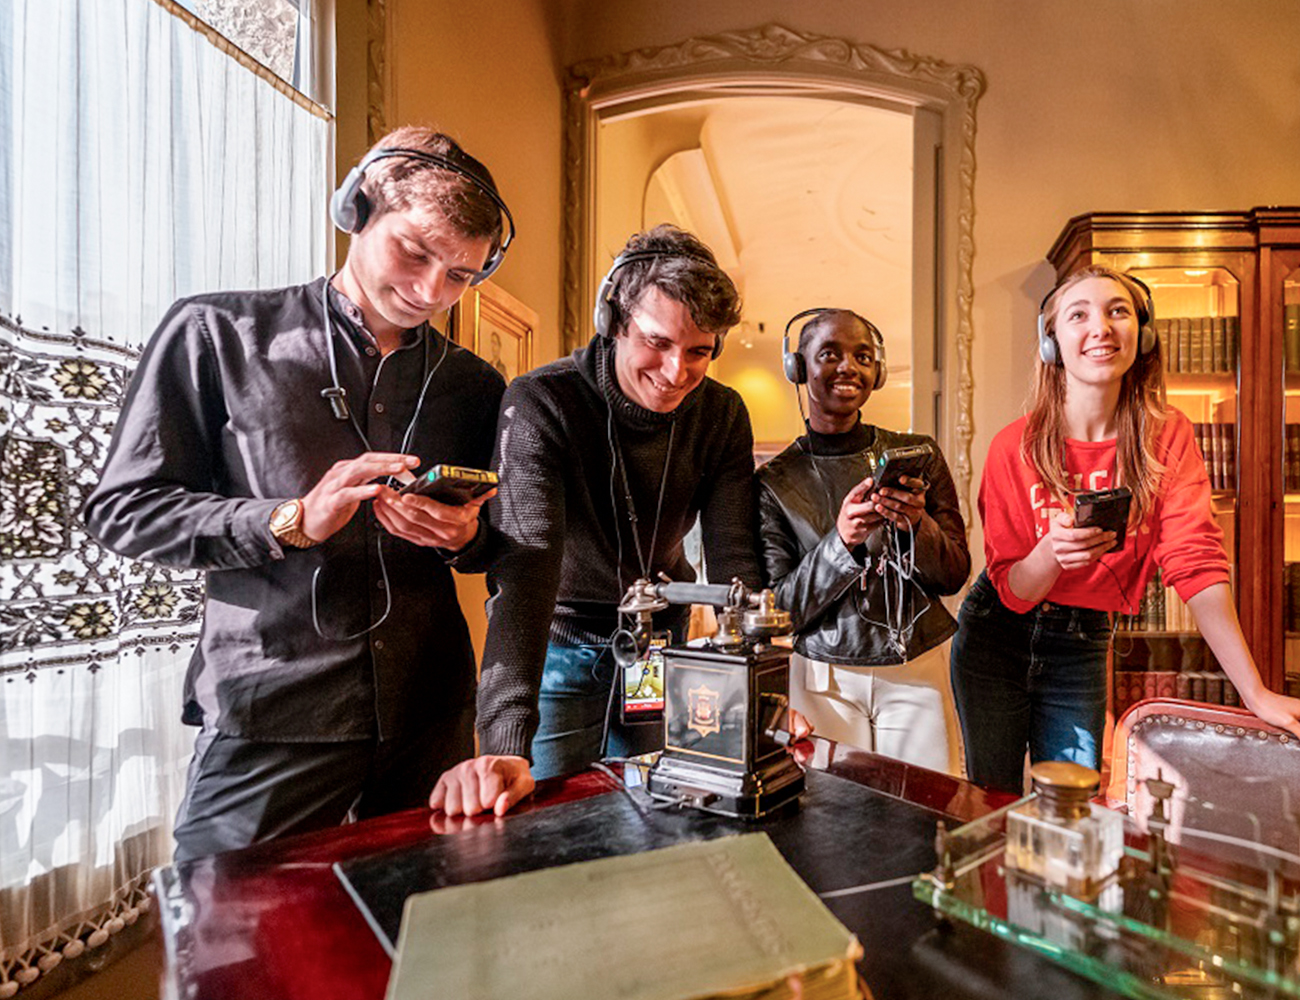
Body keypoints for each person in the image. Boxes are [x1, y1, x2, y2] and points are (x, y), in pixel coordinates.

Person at [83, 127, 514, 861]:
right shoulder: (215, 334)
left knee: (420, 951)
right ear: (357, 209)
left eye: (460, 277)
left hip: (430, 718)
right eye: (414, 254)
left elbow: (496, 548)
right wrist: (291, 519)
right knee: (231, 958)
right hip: (272, 713)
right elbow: (122, 509)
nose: (429, 293)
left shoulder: (475, 386)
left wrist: (463, 538)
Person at [431, 224, 784, 817]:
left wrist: (760, 694)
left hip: (661, 649)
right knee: (545, 829)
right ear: (614, 320)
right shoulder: (542, 402)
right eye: (657, 341)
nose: (676, 371)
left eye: (699, 350)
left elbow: (735, 563)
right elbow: (524, 576)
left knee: (651, 821)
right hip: (558, 648)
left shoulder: (721, 413)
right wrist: (505, 743)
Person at [950, 264, 1300, 794]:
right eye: (1078, 314)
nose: (1101, 328)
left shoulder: (1167, 437)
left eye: (1118, 312)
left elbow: (1196, 563)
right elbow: (1014, 593)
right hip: (997, 635)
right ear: (1052, 343)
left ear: (1143, 334)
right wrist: (1051, 553)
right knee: (990, 797)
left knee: (1073, 801)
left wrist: (1254, 691)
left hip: (1083, 640)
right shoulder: (1011, 446)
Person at [757, 309, 970, 772]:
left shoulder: (921, 456)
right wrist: (843, 541)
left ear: (878, 372)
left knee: (925, 811)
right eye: (829, 354)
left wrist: (917, 526)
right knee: (832, 818)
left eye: (863, 356)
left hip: (917, 665)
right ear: (799, 368)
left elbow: (953, 574)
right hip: (823, 677)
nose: (848, 366)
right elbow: (779, 609)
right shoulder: (774, 481)